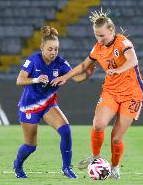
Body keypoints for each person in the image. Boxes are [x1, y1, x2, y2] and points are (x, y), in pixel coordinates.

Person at [51, 9, 143, 179]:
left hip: (132, 94)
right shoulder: (98, 48)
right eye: (96, 36)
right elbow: (83, 66)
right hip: (111, 91)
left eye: (102, 35)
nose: (99, 39)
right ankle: (95, 158)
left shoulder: (123, 42)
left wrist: (118, 70)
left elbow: (133, 60)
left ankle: (115, 167)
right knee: (98, 125)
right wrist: (65, 76)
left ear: (111, 30)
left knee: (116, 138)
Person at [13, 26, 92, 179]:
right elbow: (19, 80)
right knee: (30, 146)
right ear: (42, 47)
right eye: (50, 49)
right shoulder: (33, 60)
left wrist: (89, 72)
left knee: (66, 131)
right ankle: (18, 165)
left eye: (56, 49)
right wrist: (36, 79)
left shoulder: (60, 63)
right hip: (29, 107)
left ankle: (67, 168)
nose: (53, 53)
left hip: (48, 105)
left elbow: (76, 78)